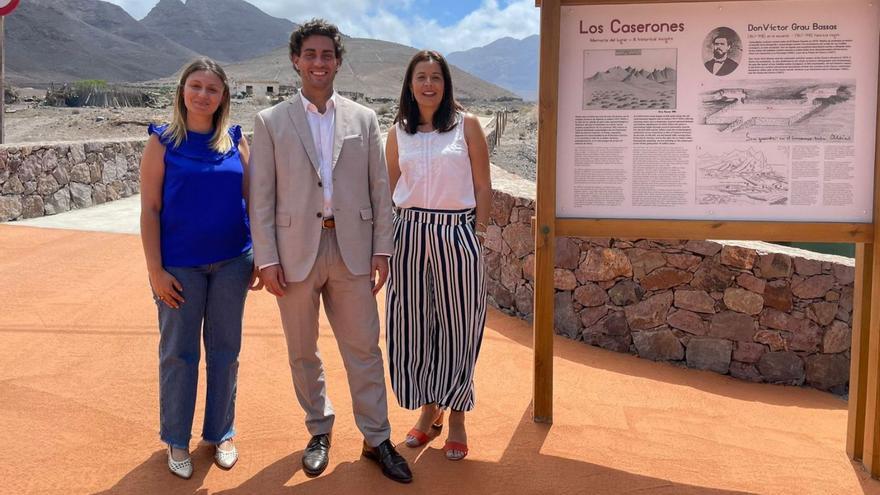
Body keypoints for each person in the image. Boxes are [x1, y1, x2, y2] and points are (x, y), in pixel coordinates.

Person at [248, 19, 412, 483]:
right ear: (296, 61)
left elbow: (380, 190)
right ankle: (319, 429)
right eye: (310, 55)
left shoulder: (364, 119)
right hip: (293, 251)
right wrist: (267, 259)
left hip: (353, 249)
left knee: (364, 348)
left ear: (338, 62)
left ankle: (377, 438)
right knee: (303, 351)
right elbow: (260, 197)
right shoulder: (270, 121)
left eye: (327, 55)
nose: (319, 63)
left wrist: (383, 249)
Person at [139, 57, 259, 479]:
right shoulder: (163, 141)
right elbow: (150, 209)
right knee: (178, 354)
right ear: (183, 91)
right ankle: (176, 439)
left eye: (212, 88)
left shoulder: (235, 140)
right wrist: (155, 270)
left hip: (232, 262)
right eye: (196, 86)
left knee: (226, 351)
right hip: (179, 268)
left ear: (223, 95)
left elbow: (253, 202)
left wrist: (260, 254)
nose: (203, 94)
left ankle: (221, 432)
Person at [384, 50, 492, 461]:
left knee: (460, 325)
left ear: (446, 84)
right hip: (408, 233)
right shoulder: (398, 132)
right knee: (413, 324)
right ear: (410, 85)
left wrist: (477, 234)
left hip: (456, 232)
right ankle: (430, 409)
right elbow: (387, 192)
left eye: (436, 77)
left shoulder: (467, 126)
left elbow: (483, 187)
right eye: (420, 77)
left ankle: (459, 415)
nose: (428, 84)